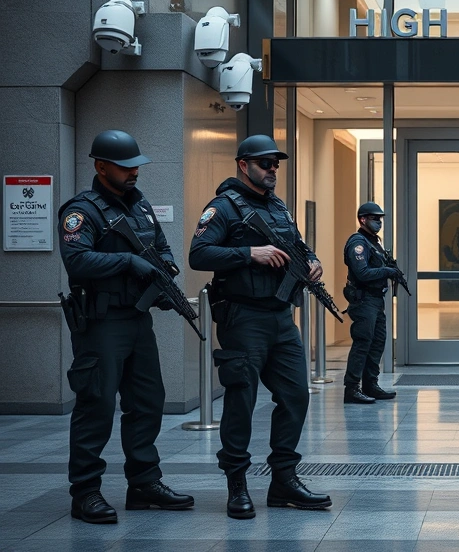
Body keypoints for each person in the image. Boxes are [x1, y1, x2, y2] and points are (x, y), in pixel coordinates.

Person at [189, 134, 331, 519]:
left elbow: (298, 245)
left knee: (296, 396)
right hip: (243, 317)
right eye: (265, 163)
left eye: (276, 164)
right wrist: (248, 253)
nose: (272, 170)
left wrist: (313, 261)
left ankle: (284, 481)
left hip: (281, 317)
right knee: (242, 400)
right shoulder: (223, 207)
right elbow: (197, 254)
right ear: (243, 165)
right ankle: (237, 484)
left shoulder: (280, 208)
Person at [58, 130, 194, 524]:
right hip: (101, 322)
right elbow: (78, 261)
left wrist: (163, 279)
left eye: (136, 166)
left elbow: (164, 250)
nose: (134, 172)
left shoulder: (141, 206)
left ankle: (144, 484)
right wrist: (128, 263)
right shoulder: (81, 211)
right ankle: (85, 492)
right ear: (101, 167)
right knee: (96, 405)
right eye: (125, 166)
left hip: (137, 319)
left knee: (148, 401)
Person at [341, 201, 400, 404]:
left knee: (377, 342)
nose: (378, 223)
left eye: (380, 219)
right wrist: (387, 271)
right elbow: (362, 272)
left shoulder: (374, 242)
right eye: (375, 219)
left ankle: (370, 384)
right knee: (363, 343)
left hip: (376, 300)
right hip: (363, 300)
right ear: (363, 219)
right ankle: (352, 388)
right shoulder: (358, 242)